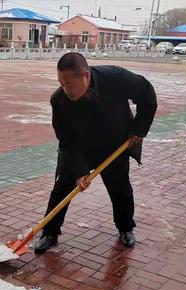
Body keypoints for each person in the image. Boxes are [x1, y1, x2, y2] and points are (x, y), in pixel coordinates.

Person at [34, 52, 157, 254]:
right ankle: (50, 232)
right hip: (79, 147)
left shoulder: (116, 78)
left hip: (114, 144)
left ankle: (126, 228)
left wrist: (139, 129)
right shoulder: (59, 100)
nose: (66, 90)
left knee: (120, 188)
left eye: (69, 84)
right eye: (61, 84)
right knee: (62, 187)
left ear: (85, 75)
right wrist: (79, 171)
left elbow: (147, 95)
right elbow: (66, 140)